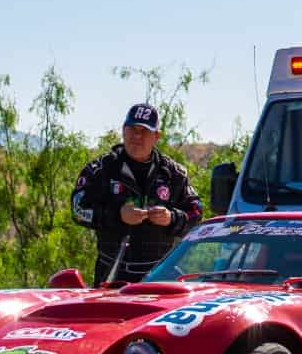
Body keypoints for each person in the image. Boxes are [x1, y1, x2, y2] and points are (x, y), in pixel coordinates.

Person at [71, 104, 203, 284]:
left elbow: (196, 214)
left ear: (157, 136)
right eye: (132, 129)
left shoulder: (174, 174)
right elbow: (78, 209)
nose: (137, 136)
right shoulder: (100, 169)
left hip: (159, 276)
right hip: (112, 275)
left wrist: (171, 218)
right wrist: (117, 215)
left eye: (144, 131)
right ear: (123, 131)